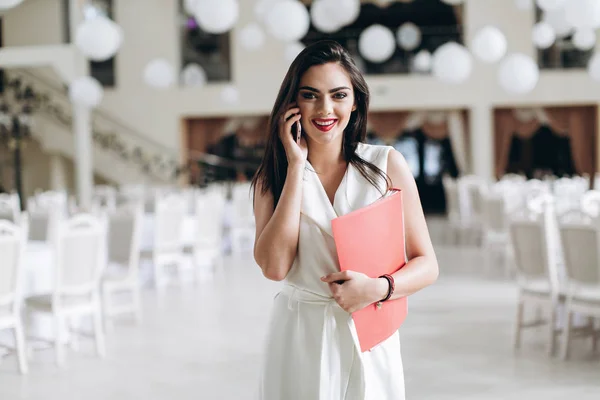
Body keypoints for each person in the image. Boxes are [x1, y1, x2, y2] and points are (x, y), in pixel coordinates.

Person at [251, 40, 439, 400]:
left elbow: (427, 264)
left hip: (370, 327)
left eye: (338, 95)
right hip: (299, 333)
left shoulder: (386, 165)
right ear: (293, 104)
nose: (325, 108)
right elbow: (275, 268)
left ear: (355, 102)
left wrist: (378, 288)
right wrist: (295, 168)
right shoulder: (271, 178)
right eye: (310, 95)